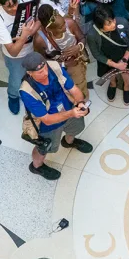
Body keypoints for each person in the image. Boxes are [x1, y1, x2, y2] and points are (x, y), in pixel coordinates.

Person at [20, 51, 93, 179]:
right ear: (29, 73)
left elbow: (74, 89)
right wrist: (71, 113)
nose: (45, 73)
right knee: (45, 147)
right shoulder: (27, 91)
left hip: (68, 107)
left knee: (76, 128)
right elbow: (47, 120)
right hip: (48, 124)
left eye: (45, 68)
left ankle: (69, 142)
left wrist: (80, 103)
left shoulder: (54, 67)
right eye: (39, 72)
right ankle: (36, 166)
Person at [0, 0, 43, 115]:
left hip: (32, 48)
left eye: (16, 3)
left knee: (35, 73)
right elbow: (13, 51)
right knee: (16, 79)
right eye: (9, 6)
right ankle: (13, 96)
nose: (14, 8)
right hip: (15, 57)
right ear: (0, 4)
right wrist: (24, 36)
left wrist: (27, 35)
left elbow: (39, 20)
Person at [36, 5, 89, 97]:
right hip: (57, 69)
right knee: (62, 90)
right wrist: (63, 65)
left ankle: (81, 102)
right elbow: (41, 60)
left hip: (76, 63)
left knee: (80, 85)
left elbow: (82, 38)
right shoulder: (40, 40)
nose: (65, 27)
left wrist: (78, 47)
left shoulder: (70, 23)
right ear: (49, 29)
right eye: (61, 27)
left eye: (64, 23)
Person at [90, 5, 129, 104]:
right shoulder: (92, 35)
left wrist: (124, 59)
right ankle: (113, 83)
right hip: (107, 58)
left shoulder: (123, 22)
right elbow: (97, 54)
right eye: (109, 24)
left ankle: (126, 86)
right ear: (100, 26)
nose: (113, 24)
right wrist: (115, 65)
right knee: (110, 72)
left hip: (124, 53)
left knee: (126, 71)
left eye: (113, 20)